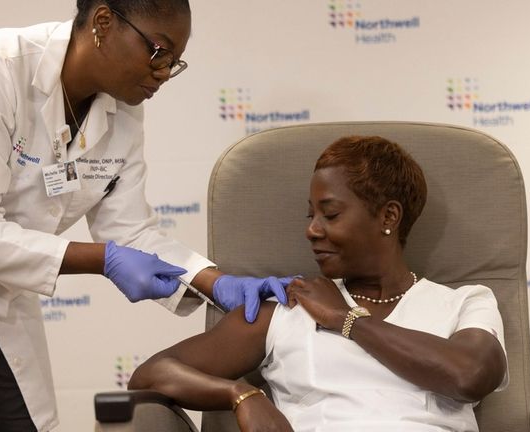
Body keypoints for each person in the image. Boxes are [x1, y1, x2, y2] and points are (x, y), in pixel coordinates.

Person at [0, 1, 293, 431]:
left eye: (175, 62)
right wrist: (103, 259)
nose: (163, 73)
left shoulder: (122, 108)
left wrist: (215, 282)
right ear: (103, 22)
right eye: (159, 51)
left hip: (2, 304)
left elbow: (130, 230)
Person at [129, 136, 509, 432]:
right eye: (311, 215)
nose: (311, 230)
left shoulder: (464, 303)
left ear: (388, 217)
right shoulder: (288, 306)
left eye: (330, 214)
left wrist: (347, 319)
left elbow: (470, 375)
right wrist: (240, 393)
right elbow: (152, 374)